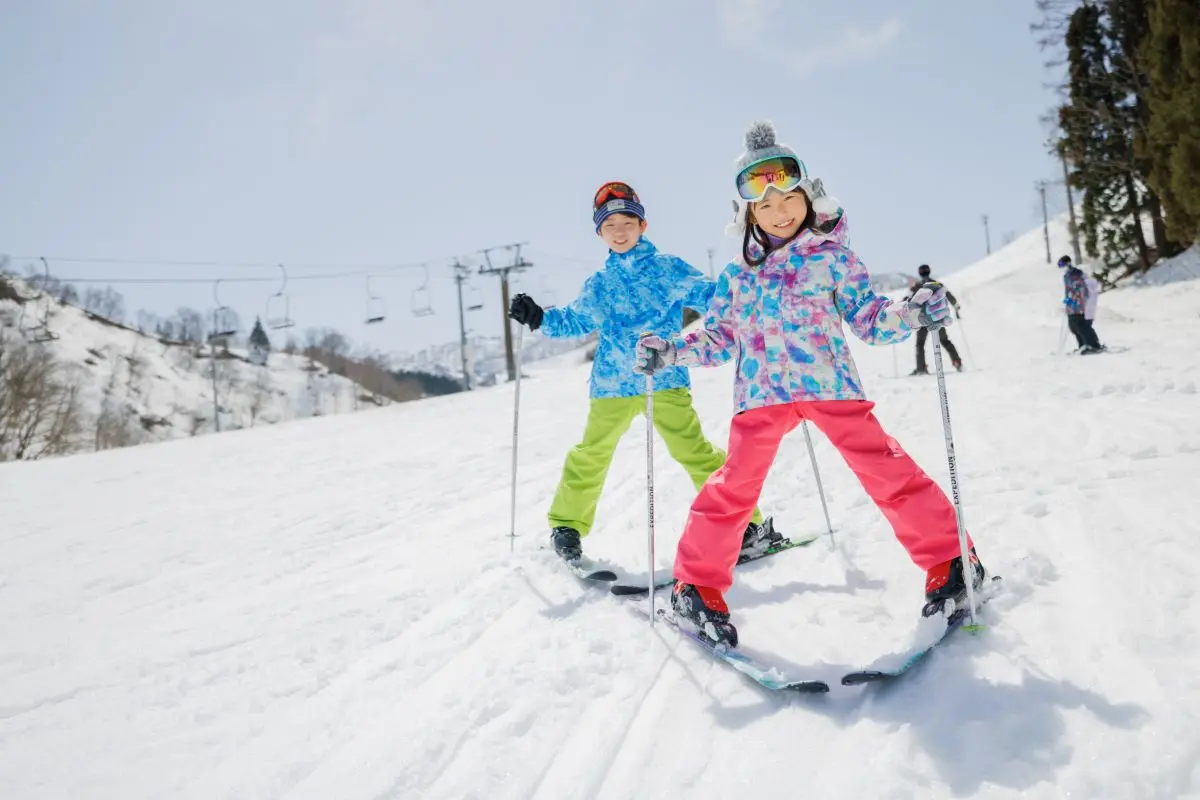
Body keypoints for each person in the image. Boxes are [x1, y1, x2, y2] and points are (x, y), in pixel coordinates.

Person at [635, 121, 986, 646]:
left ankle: (952, 561)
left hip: (830, 385)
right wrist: (671, 351)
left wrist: (912, 313)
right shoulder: (737, 276)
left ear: (808, 197)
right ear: (748, 214)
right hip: (760, 395)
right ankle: (696, 587)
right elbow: (720, 336)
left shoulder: (833, 258)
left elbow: (870, 319)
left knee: (887, 471)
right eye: (765, 205)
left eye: (789, 198)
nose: (780, 211)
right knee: (732, 490)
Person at [507, 181, 780, 568]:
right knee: (592, 453)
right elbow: (574, 320)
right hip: (612, 385)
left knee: (694, 452)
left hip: (664, 378)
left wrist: (749, 289)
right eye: (610, 226)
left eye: (627, 223)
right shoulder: (600, 284)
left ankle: (746, 525)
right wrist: (539, 318)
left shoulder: (667, 269)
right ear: (599, 233)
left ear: (643, 226)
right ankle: (566, 526)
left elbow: (713, 295)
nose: (619, 232)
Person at [908, 264, 963, 374]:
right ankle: (957, 362)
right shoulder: (937, 285)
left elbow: (909, 300)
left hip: (922, 320)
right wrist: (955, 305)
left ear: (920, 273)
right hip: (937, 318)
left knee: (920, 344)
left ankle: (921, 368)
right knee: (944, 340)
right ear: (929, 271)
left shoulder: (917, 286)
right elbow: (947, 295)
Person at [1059, 255, 1105, 354]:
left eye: (1062, 264)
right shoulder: (1067, 275)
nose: (1060, 267)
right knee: (1073, 327)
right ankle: (1083, 345)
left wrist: (1073, 299)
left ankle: (1093, 345)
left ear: (1068, 263)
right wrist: (1068, 299)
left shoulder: (1075, 274)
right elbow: (1070, 289)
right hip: (1072, 306)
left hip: (1078, 305)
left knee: (1081, 326)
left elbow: (1080, 289)